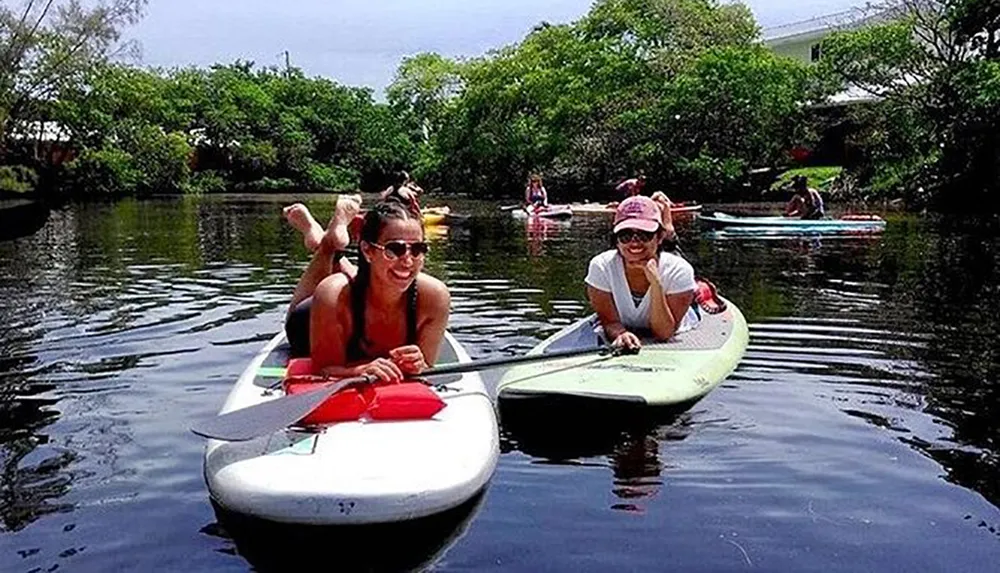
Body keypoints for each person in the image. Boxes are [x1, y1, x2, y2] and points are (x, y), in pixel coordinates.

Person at [283, 194, 451, 381]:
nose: (408, 261)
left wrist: (419, 364)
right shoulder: (333, 295)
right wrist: (358, 371)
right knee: (335, 288)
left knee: (379, 274)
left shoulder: (435, 297)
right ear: (367, 250)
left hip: (369, 279)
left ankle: (327, 242)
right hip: (310, 323)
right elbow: (324, 369)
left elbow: (427, 366)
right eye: (394, 249)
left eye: (418, 249)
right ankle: (326, 246)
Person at [585, 195, 699, 351]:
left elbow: (664, 333)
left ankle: (669, 227)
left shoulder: (679, 270)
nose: (634, 242)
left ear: (659, 237)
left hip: (678, 320)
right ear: (616, 240)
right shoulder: (601, 266)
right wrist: (621, 334)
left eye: (645, 234)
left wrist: (656, 284)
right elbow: (610, 322)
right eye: (625, 236)